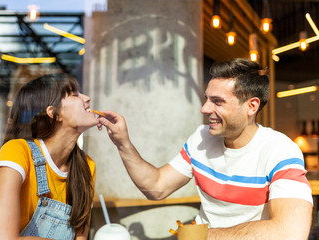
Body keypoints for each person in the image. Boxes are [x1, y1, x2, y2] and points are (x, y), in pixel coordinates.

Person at [98, 58, 313, 239]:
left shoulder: (280, 150)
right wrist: (123, 143)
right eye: (207, 99)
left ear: (251, 106)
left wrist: (202, 236)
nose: (204, 108)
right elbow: (156, 187)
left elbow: (291, 232)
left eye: (217, 101)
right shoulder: (200, 138)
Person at [0, 73, 98, 239]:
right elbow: (1, 238)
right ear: (54, 113)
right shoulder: (17, 151)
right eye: (75, 95)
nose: (87, 98)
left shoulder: (87, 165)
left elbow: (80, 236)